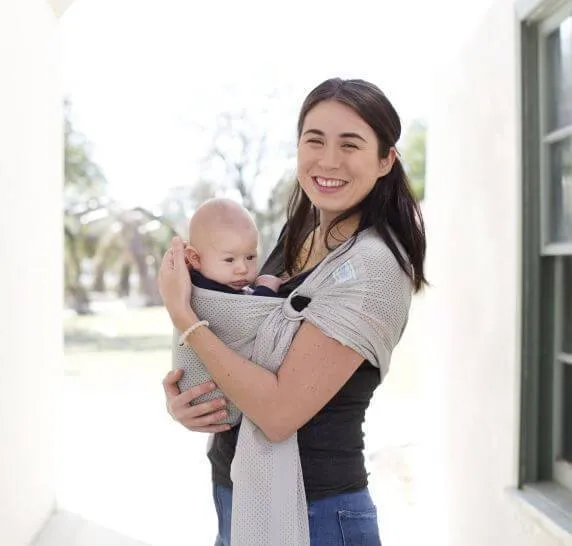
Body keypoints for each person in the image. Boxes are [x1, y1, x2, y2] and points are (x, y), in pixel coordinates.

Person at [158, 77, 427, 546]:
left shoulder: (373, 268)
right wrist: (192, 401)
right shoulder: (298, 233)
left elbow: (280, 412)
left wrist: (186, 319)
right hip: (238, 489)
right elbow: (246, 342)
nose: (328, 160)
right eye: (314, 140)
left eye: (351, 144)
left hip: (315, 514)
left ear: (386, 160)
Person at [183, 197, 282, 297]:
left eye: (250, 257)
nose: (243, 269)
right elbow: (249, 312)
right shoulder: (207, 294)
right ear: (195, 258)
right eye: (229, 260)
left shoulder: (218, 283)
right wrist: (265, 290)